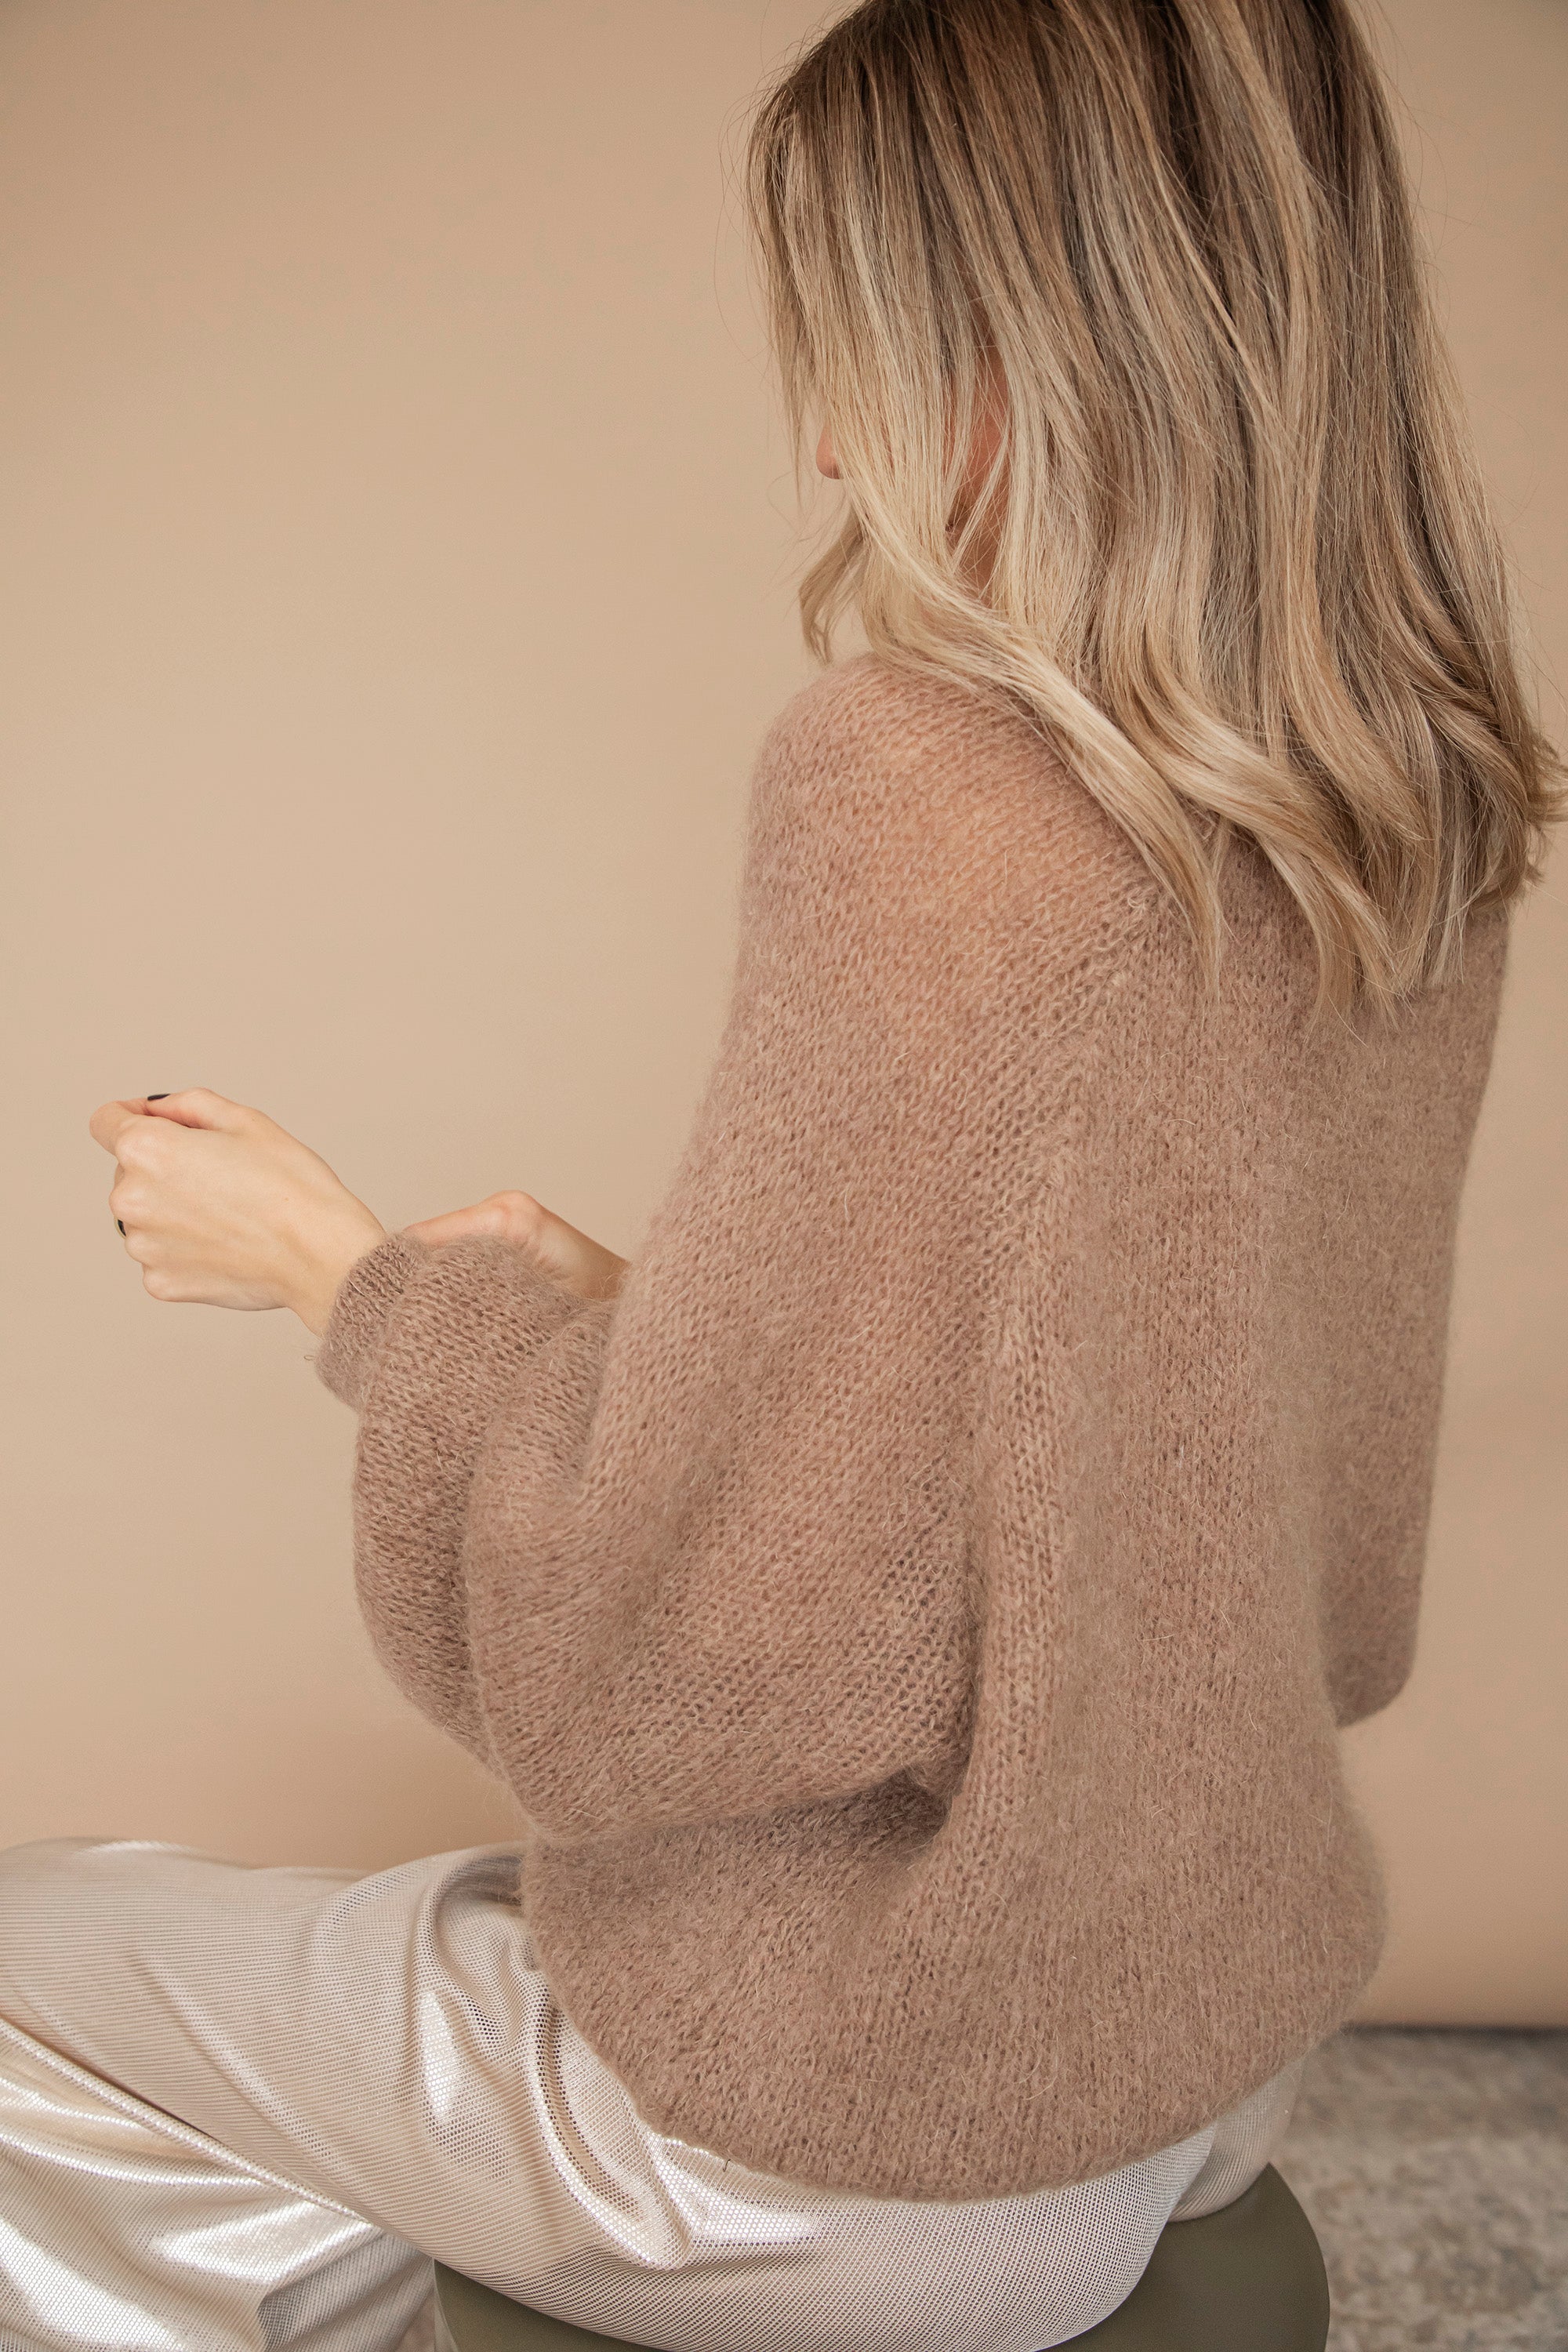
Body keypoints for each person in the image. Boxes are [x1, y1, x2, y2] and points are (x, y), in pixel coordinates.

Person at [3, 2, 1558, 2347]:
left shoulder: (918, 787)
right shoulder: (1399, 799)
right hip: (1185, 2044)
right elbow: (1196, 1496)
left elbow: (661, 1671)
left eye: (864, 339)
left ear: (1040, 335)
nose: (826, 438)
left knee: (27, 1955)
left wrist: (344, 1285)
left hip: (867, 2142)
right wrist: (648, 1310)